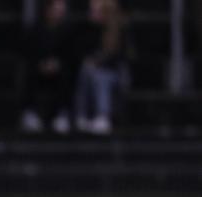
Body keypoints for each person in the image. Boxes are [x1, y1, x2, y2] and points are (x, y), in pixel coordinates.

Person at [20, 0, 76, 135]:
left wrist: (57, 64)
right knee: (29, 71)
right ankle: (30, 113)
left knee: (67, 74)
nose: (60, 12)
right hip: (39, 67)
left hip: (59, 68)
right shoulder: (36, 29)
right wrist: (41, 64)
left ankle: (62, 114)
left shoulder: (67, 31)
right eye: (57, 9)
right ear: (48, 10)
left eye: (61, 10)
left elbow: (71, 55)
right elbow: (30, 52)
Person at [74, 0, 129, 136]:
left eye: (98, 12)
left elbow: (120, 58)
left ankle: (103, 115)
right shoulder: (93, 30)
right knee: (85, 70)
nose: (94, 14)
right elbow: (86, 53)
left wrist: (99, 63)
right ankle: (82, 115)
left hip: (117, 73)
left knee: (100, 76)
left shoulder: (120, 29)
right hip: (96, 71)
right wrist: (92, 63)